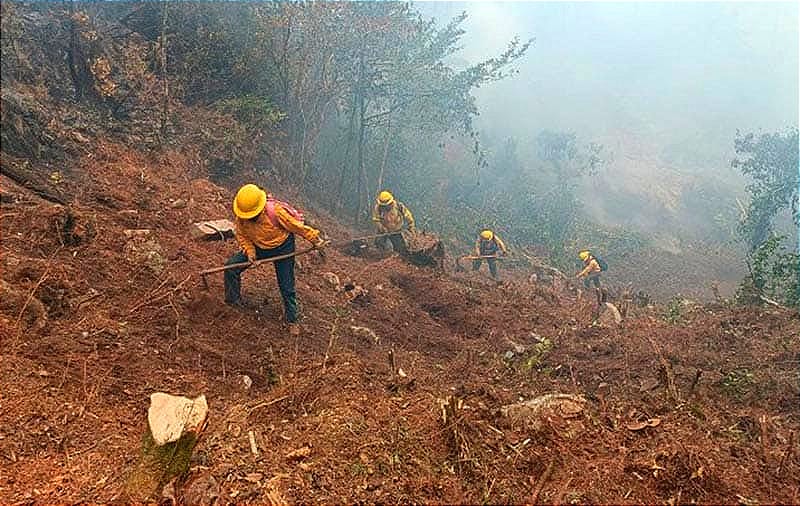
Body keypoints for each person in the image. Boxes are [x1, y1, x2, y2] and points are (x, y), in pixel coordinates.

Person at [224, 183, 326, 335]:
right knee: (231, 267)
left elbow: (297, 227)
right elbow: (242, 236)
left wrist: (315, 239)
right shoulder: (242, 218)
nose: (250, 218)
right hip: (259, 247)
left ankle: (292, 319)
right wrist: (251, 253)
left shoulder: (275, 212)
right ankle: (233, 302)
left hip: (282, 247)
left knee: (286, 285)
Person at [371, 190, 415, 255]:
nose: (385, 207)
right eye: (383, 205)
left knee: (401, 250)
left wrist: (411, 227)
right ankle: (382, 257)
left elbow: (408, 216)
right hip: (383, 231)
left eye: (387, 205)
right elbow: (376, 219)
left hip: (396, 231)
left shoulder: (398, 206)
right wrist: (382, 228)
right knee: (378, 245)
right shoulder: (378, 208)